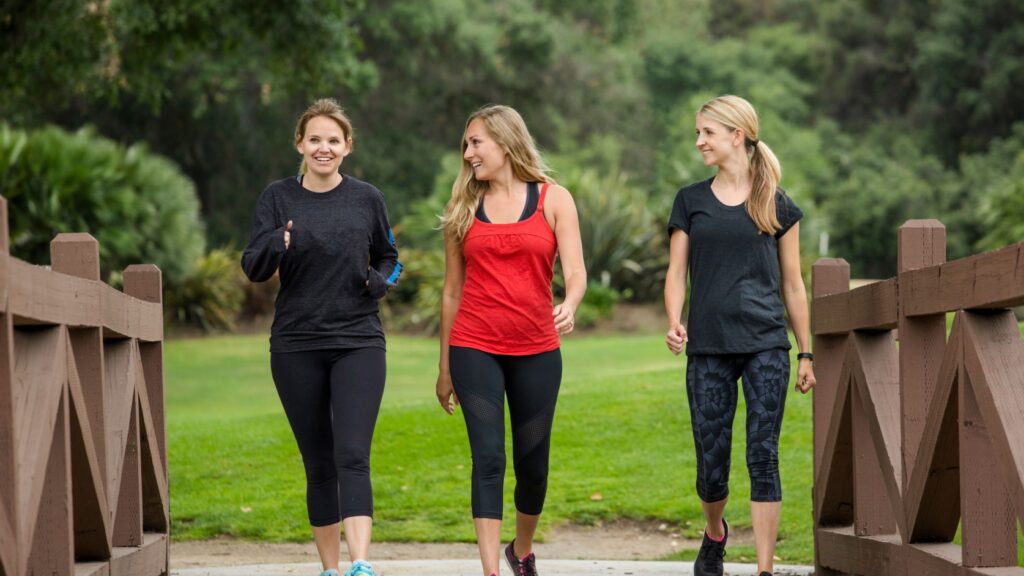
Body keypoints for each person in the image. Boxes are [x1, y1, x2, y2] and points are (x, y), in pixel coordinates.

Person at [241, 98, 400, 576]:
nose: (323, 147)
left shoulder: (367, 198)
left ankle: (360, 565)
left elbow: (392, 258)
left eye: (333, 140)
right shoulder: (277, 198)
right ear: (300, 144)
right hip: (296, 345)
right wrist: (276, 242)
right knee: (319, 461)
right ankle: (330, 569)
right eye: (315, 139)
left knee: (353, 453)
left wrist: (380, 281)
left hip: (358, 340)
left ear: (347, 147)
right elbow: (253, 266)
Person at [663, 95, 817, 576]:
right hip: (708, 346)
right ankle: (715, 533)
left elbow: (793, 284)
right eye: (697, 133)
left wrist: (806, 352)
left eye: (706, 132)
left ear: (736, 135)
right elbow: (675, 273)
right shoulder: (690, 200)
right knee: (711, 466)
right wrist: (674, 319)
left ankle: (764, 569)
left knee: (763, 454)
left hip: (767, 345)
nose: (698, 142)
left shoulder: (777, 204)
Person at [435, 104, 586, 576]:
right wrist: (444, 369)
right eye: (467, 143)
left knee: (533, 463)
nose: (468, 152)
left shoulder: (554, 198)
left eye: (476, 142)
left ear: (505, 141)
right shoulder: (462, 207)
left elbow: (576, 271)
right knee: (488, 457)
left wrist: (571, 303)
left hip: (537, 349)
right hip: (474, 344)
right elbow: (451, 291)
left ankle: (520, 550)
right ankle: (491, 571)